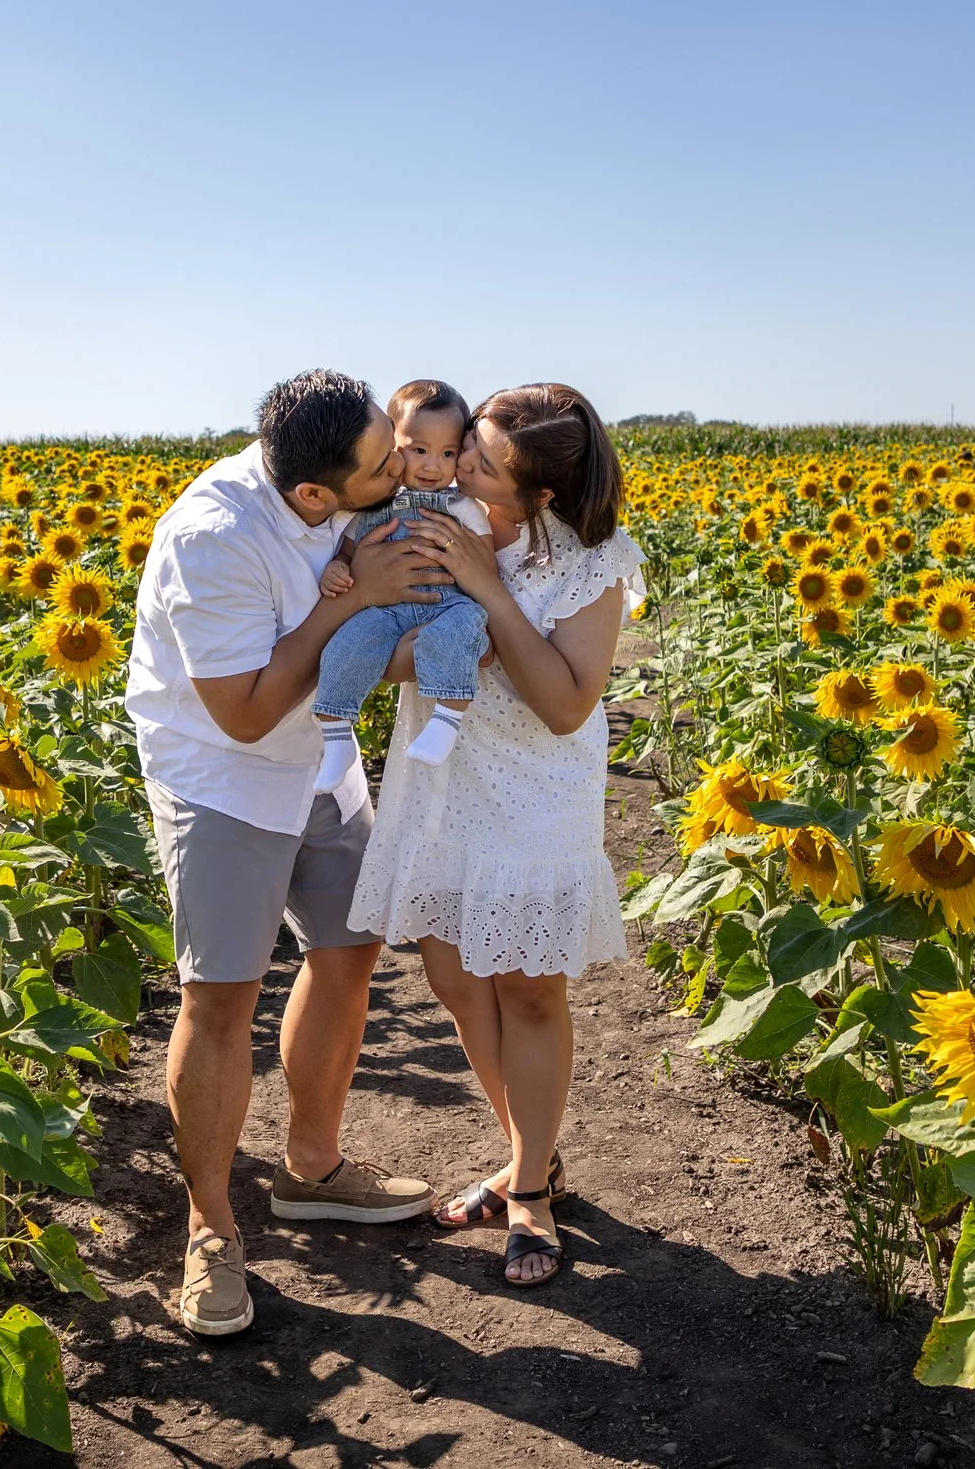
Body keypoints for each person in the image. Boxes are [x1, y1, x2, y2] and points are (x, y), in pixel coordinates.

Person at [124, 369, 442, 1336]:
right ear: (313, 494)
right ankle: (210, 1226)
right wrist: (355, 607)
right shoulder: (214, 540)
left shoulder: (335, 485)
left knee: (348, 955)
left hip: (324, 756)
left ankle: (313, 1166)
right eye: (385, 465)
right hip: (224, 775)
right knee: (221, 997)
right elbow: (248, 712)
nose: (405, 468)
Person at [346, 383, 642, 1288]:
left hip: (532, 792)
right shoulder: (438, 507)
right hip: (443, 782)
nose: (457, 465)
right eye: (466, 445)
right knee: (452, 974)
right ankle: (531, 1153)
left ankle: (529, 1193)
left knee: (530, 990)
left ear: (541, 495)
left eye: (482, 462)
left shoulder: (593, 559)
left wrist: (484, 586)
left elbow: (563, 703)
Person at [309, 380, 496, 790]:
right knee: (348, 642)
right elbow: (348, 551)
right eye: (419, 450)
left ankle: (446, 719)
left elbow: (486, 566)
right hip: (387, 611)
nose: (433, 466)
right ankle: (337, 736)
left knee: (463, 623)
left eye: (447, 453)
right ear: (394, 446)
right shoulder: (375, 506)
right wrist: (336, 569)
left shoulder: (463, 508)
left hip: (447, 604)